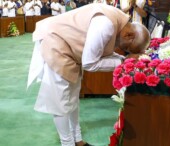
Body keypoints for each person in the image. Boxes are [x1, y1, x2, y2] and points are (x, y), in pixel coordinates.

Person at [27, 3, 150, 146]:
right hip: (56, 43)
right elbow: (89, 63)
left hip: (71, 49)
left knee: (73, 97)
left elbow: (100, 53)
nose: (124, 50)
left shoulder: (118, 20)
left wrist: (123, 60)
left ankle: (78, 140)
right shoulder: (106, 25)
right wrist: (123, 62)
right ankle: (67, 143)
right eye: (128, 48)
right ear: (129, 35)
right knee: (60, 102)